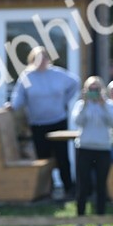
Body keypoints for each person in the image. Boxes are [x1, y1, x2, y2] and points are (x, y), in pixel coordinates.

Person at [7, 47, 79, 196]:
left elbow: (75, 83)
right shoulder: (27, 77)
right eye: (37, 59)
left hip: (58, 121)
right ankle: (46, 190)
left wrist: (64, 101)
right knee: (43, 158)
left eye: (44, 58)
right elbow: (19, 97)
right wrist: (12, 106)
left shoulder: (58, 74)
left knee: (62, 156)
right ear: (32, 60)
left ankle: (68, 188)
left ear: (48, 59)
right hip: (38, 124)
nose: (41, 61)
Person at [69, 76, 113, 226]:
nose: (94, 92)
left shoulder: (109, 105)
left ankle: (100, 224)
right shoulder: (81, 105)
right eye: (90, 89)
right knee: (82, 187)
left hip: (103, 149)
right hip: (84, 148)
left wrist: (103, 105)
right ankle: (80, 224)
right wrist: (84, 104)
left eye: (96, 89)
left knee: (101, 187)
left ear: (102, 90)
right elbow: (77, 121)